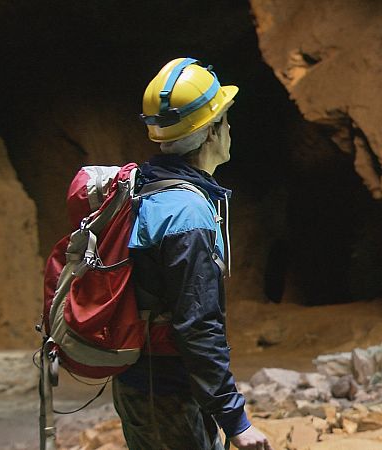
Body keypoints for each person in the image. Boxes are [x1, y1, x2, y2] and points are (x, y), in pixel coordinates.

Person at [112, 57, 272, 450]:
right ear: (210, 133)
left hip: (144, 384)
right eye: (225, 119)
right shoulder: (187, 212)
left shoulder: (149, 188)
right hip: (167, 390)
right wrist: (235, 421)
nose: (231, 128)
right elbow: (198, 324)